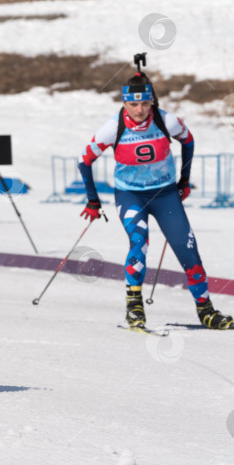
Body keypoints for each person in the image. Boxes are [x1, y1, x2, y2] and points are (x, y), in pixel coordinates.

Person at [78, 70, 232, 330]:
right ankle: (134, 307)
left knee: (188, 251)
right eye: (133, 104)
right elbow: (85, 161)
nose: (139, 110)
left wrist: (184, 180)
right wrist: (93, 201)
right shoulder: (112, 127)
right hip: (131, 195)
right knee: (140, 243)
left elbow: (189, 142)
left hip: (165, 195)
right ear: (124, 103)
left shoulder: (165, 121)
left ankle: (206, 310)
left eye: (145, 104)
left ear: (152, 102)